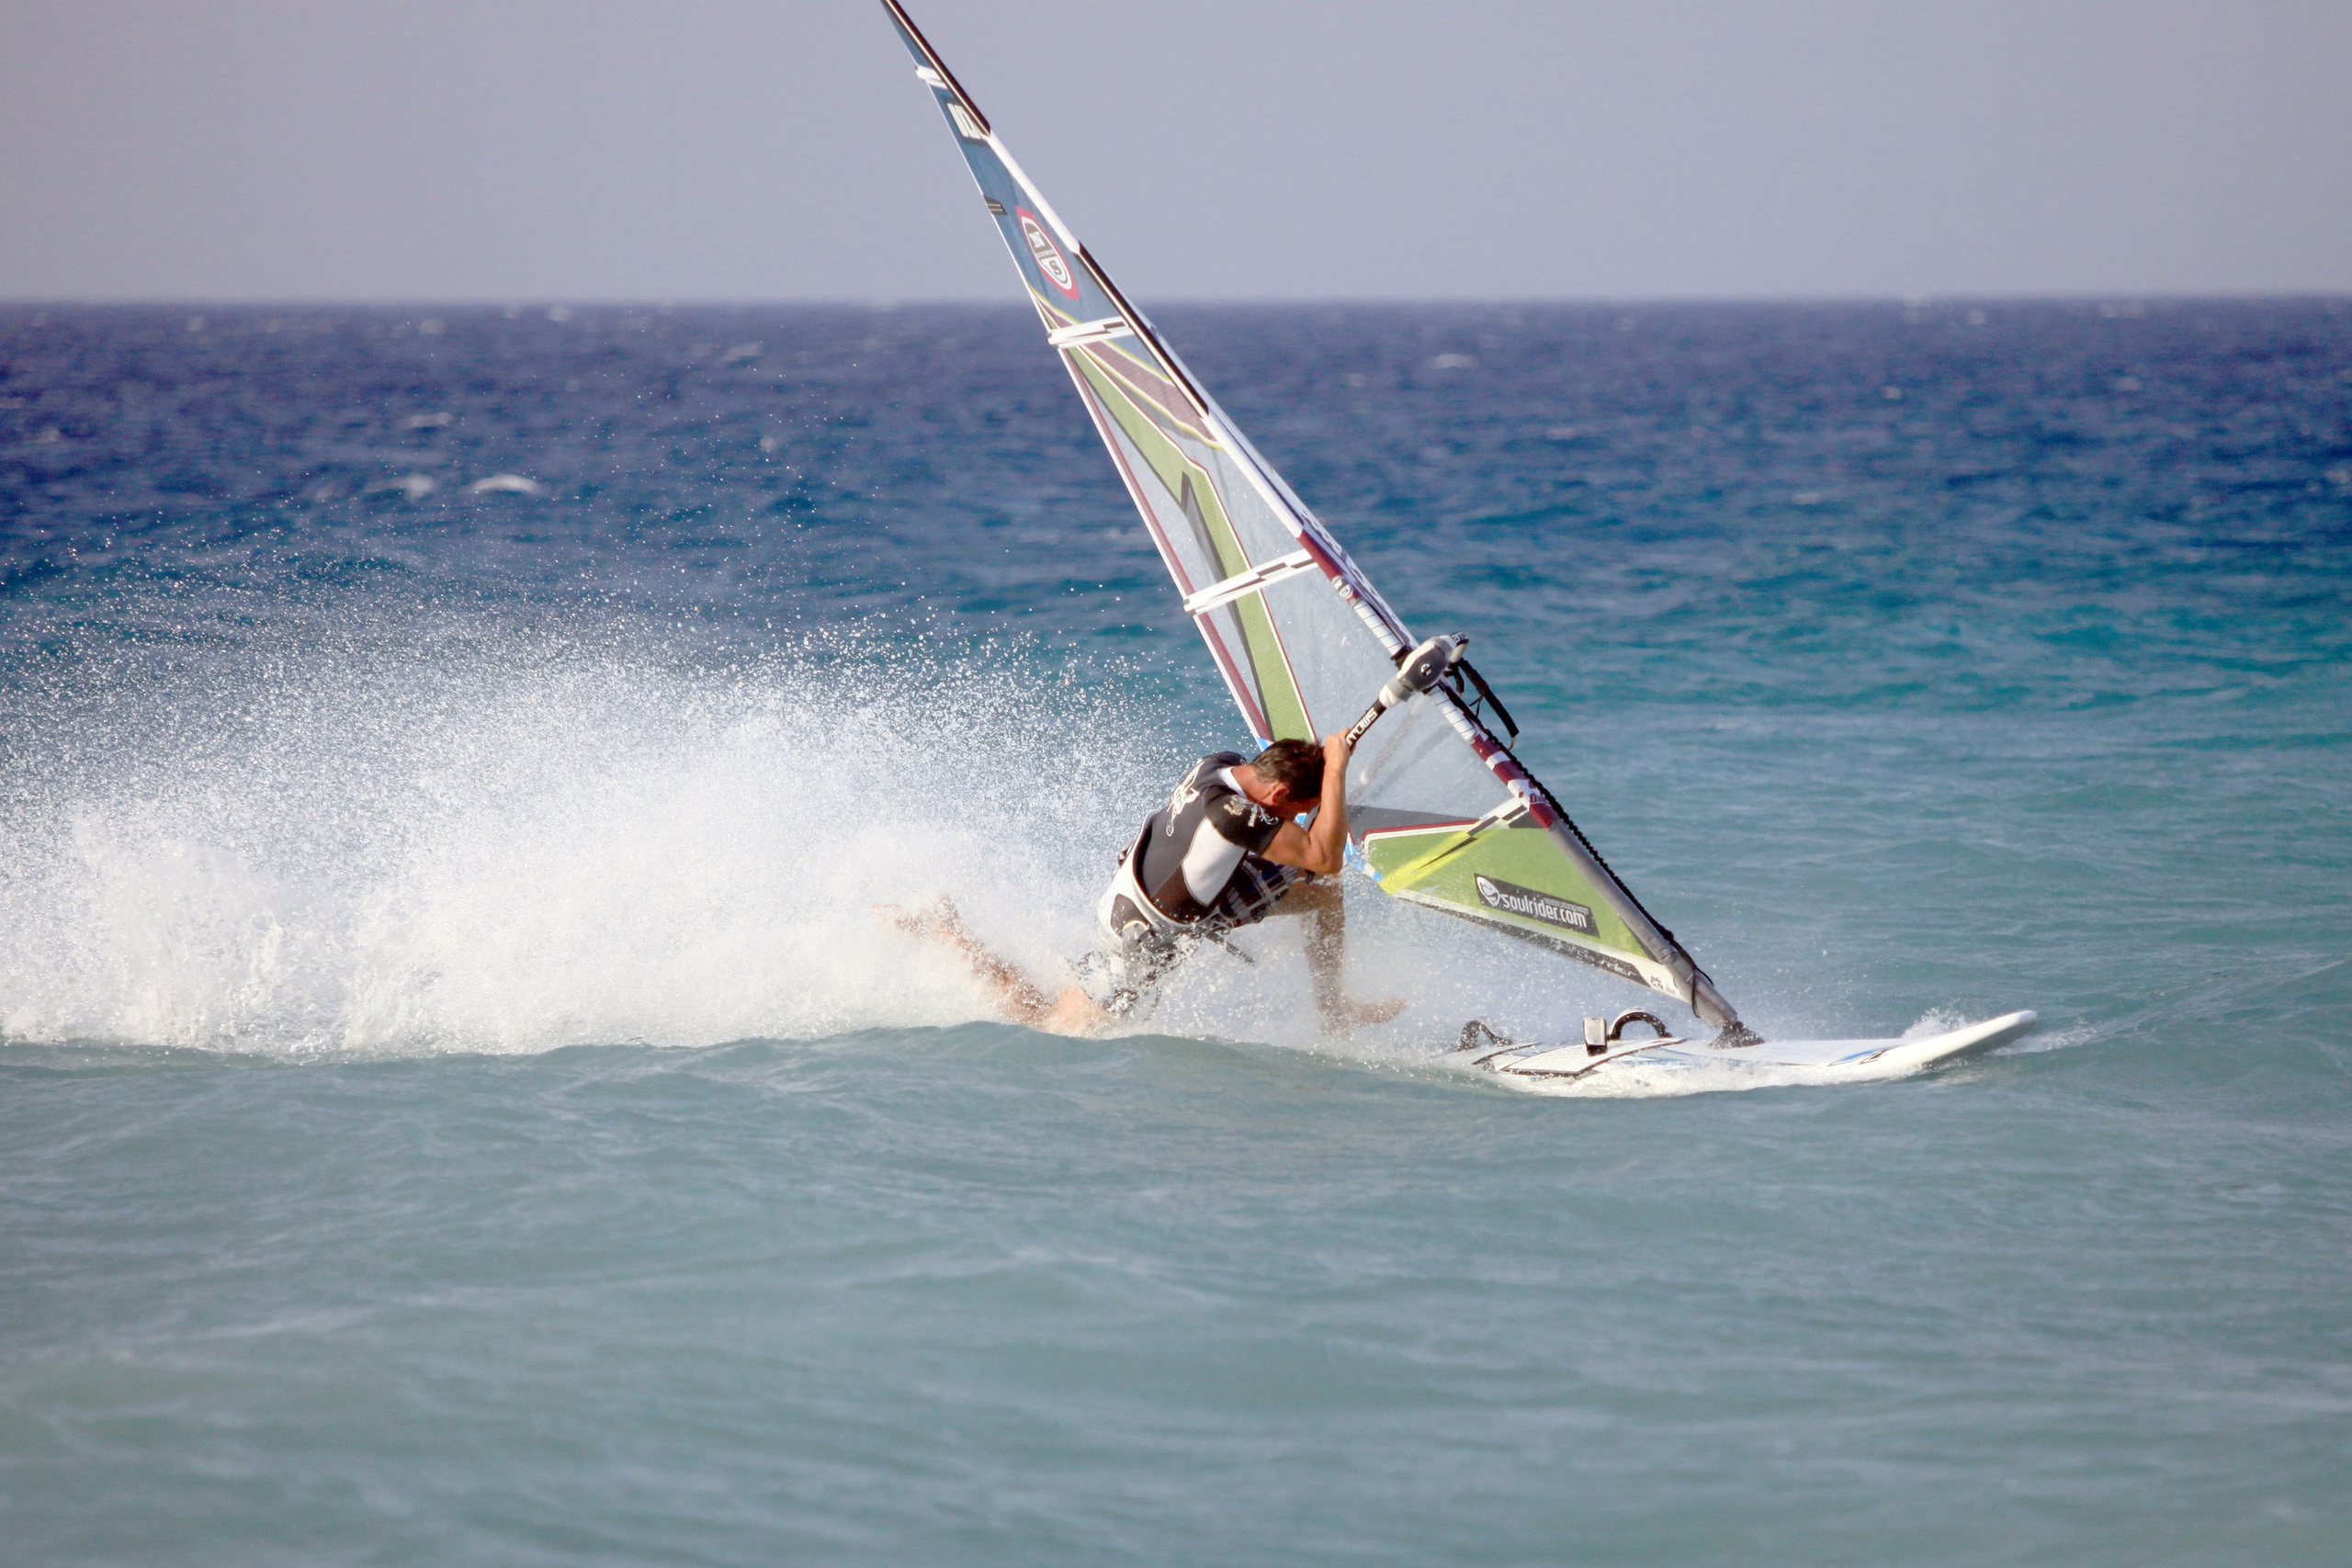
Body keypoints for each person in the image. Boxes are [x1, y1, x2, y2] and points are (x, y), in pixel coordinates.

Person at [886, 731, 1405, 1035]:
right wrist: (1334, 772)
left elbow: (1290, 809)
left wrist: (1320, 758)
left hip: (1131, 895)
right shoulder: (1234, 816)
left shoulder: (1221, 766)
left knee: (1320, 892)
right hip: (1146, 933)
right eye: (1300, 810)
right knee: (1052, 1023)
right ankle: (943, 929)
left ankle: (1333, 1008)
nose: (1302, 819)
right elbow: (1327, 857)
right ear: (1279, 796)